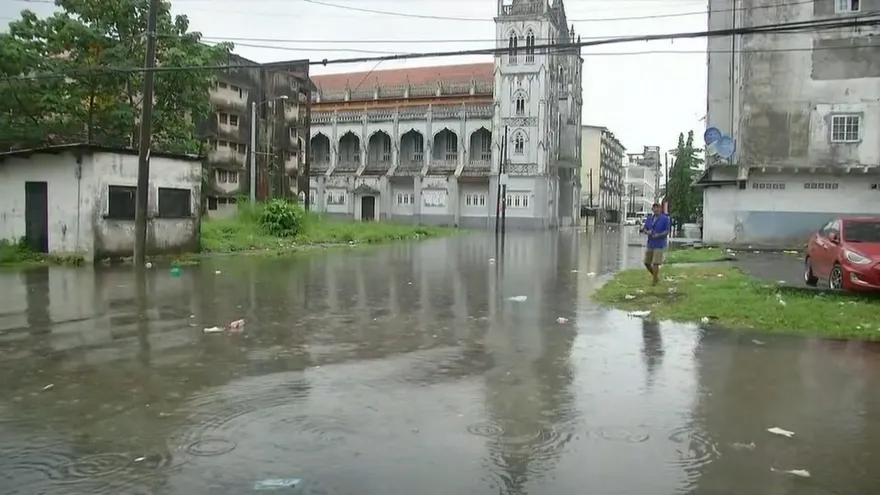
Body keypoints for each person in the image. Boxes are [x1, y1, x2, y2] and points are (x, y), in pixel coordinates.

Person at [641, 203, 670, 285]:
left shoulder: (665, 219)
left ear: (660, 209)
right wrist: (647, 232)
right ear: (652, 209)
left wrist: (659, 235)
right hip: (650, 243)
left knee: (656, 263)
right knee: (647, 263)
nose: (656, 209)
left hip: (660, 243)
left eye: (658, 208)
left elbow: (667, 231)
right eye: (654, 208)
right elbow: (644, 229)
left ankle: (654, 281)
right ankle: (656, 277)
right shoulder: (649, 218)